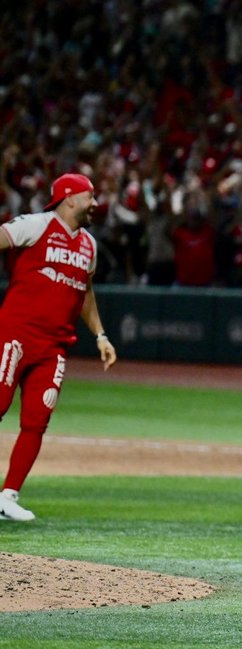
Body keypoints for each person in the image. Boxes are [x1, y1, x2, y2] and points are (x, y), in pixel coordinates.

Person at [0, 174, 118, 522]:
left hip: (54, 346)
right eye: (90, 196)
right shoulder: (35, 225)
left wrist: (101, 335)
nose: (95, 203)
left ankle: (8, 497)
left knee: (37, 420)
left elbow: (85, 294)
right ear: (69, 198)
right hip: (15, 336)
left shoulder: (89, 246)